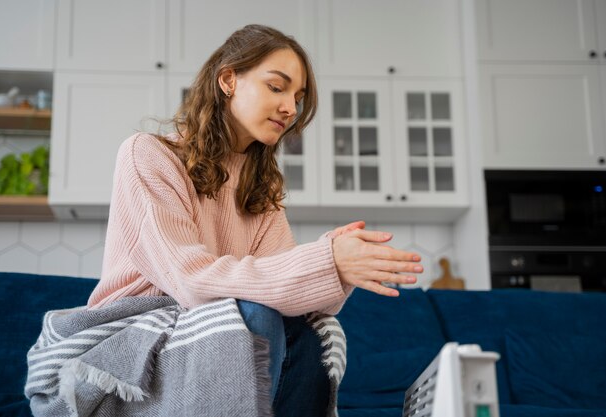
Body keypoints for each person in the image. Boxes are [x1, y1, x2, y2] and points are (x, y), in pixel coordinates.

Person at [86, 24, 423, 416]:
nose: (290, 109)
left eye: (297, 98)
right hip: (138, 338)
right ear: (228, 79)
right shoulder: (147, 156)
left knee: (313, 330)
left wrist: (337, 263)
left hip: (210, 338)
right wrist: (325, 260)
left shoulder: (260, 192)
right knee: (253, 317)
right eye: (276, 87)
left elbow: (290, 296)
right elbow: (189, 280)